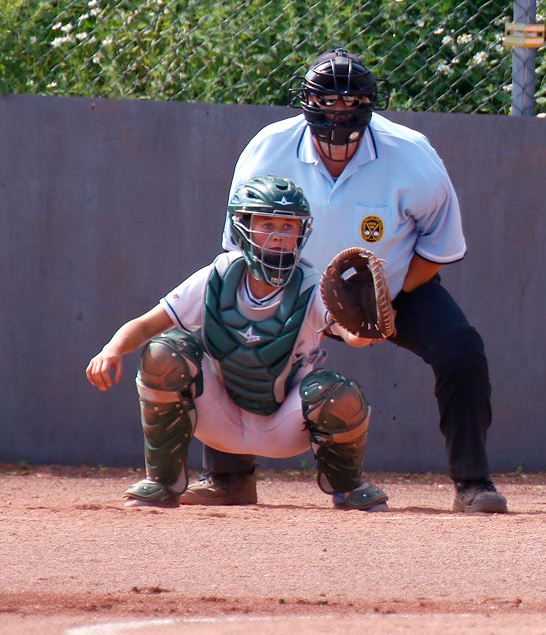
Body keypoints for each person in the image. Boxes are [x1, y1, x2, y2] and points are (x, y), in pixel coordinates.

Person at [184, 47, 508, 514]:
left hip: (391, 287)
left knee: (462, 350)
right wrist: (266, 307)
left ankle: (473, 483)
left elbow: (437, 248)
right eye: (327, 104)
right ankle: (230, 478)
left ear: (370, 107)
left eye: (350, 105)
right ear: (306, 104)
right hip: (287, 284)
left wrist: (387, 305)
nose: (339, 114)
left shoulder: (411, 155)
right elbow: (240, 246)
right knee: (229, 332)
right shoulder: (268, 149)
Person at [86, 175, 389, 511]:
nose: (278, 236)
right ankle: (162, 482)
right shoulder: (217, 276)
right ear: (243, 227)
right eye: (267, 224)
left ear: (302, 233)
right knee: (164, 352)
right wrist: (111, 349)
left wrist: (366, 326)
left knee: (338, 394)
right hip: (219, 415)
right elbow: (146, 325)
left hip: (284, 425)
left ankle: (348, 488)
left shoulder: (310, 285)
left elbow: (353, 338)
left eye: (288, 227)